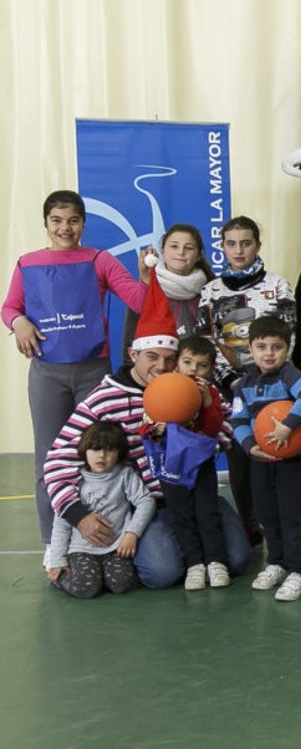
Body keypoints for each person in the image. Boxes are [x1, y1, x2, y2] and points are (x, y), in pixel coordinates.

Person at [42, 279, 250, 589]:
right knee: (161, 573)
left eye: (169, 359)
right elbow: (56, 461)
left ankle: (195, 545)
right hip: (147, 504)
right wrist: (77, 514)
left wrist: (201, 434)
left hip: (198, 492)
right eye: (151, 356)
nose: (161, 366)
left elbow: (228, 429)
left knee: (237, 561)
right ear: (133, 354)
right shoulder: (103, 399)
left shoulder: (192, 388)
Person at [4, 190, 147, 549]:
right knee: (49, 457)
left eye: (73, 220)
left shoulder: (101, 260)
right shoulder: (27, 263)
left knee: (101, 453)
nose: (65, 228)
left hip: (93, 372)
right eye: (57, 220)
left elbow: (138, 300)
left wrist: (145, 277)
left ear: (83, 222)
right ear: (46, 223)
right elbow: (9, 308)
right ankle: (52, 543)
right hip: (47, 373)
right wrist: (18, 321)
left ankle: (106, 538)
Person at [196, 216, 296, 541]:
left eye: (246, 242)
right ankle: (249, 526)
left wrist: (264, 377)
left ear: (257, 245)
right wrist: (231, 382)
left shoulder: (278, 285)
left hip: (274, 385)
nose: (238, 250)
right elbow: (206, 341)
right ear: (222, 247)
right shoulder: (211, 291)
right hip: (231, 388)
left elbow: (288, 335)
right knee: (240, 453)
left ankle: (279, 524)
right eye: (231, 243)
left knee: (276, 449)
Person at [230, 316, 301, 602]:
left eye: (276, 347)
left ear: (287, 350)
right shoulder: (244, 383)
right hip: (261, 459)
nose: (269, 353)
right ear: (251, 350)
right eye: (262, 346)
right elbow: (238, 418)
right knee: (268, 515)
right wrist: (249, 447)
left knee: (292, 516)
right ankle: (277, 563)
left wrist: (288, 425)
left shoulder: (289, 376)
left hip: (292, 461)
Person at [45, 421, 154, 599]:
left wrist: (132, 533)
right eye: (95, 449)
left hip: (116, 549)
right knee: (86, 588)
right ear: (84, 451)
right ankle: (63, 578)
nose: (102, 456)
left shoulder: (124, 474)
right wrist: (57, 560)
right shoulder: (75, 480)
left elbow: (145, 501)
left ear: (119, 453)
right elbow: (61, 523)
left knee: (122, 584)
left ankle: (99, 575)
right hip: (81, 550)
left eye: (109, 450)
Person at [169, 336, 234, 590]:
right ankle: (194, 565)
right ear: (177, 363)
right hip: (173, 466)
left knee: (207, 512)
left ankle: (216, 562)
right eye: (187, 362)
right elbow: (148, 423)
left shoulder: (212, 393)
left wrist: (207, 403)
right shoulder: (164, 387)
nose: (193, 370)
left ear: (211, 369)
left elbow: (214, 429)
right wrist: (158, 429)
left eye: (201, 365)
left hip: (202, 462)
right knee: (182, 514)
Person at [126, 222, 214, 348]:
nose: (181, 252)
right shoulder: (147, 286)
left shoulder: (210, 290)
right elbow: (131, 339)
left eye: (189, 248)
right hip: (159, 364)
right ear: (162, 251)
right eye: (174, 246)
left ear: (199, 255)